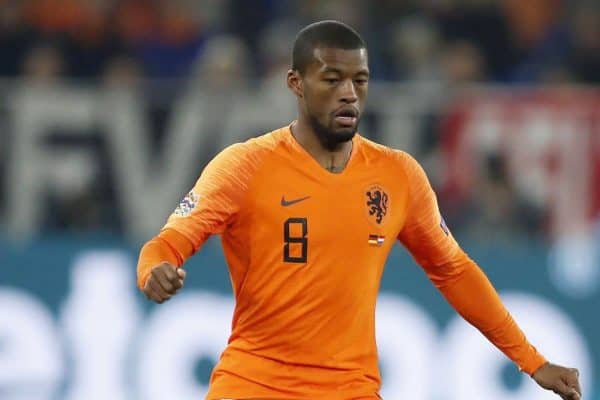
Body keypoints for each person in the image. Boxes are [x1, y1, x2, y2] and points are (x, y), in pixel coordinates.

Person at [136, 20, 582, 400]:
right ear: (296, 83)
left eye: (360, 81)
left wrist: (532, 361)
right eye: (331, 79)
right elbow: (168, 242)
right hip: (254, 384)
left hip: (351, 388)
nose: (349, 94)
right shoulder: (245, 165)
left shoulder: (397, 175)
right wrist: (155, 270)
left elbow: (454, 270)